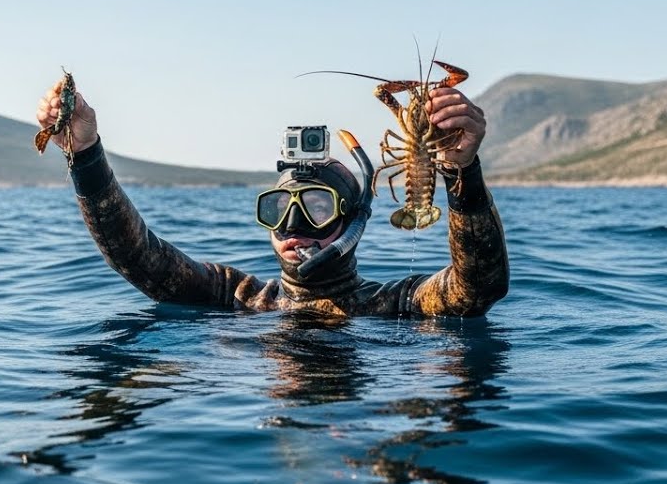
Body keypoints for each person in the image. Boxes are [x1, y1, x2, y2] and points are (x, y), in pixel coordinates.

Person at [34, 80, 508, 317]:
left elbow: (479, 286)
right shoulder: (240, 298)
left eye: (318, 207)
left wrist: (461, 170)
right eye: (279, 210)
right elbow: (138, 258)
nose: (295, 226)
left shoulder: (394, 306)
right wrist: (86, 153)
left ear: (353, 219)